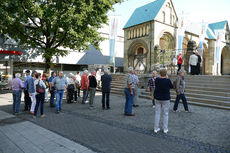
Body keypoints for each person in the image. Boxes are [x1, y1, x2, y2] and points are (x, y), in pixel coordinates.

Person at [154, 68, 173, 134]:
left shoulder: (157, 80)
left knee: (157, 113)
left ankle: (156, 128)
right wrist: (167, 78)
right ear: (166, 73)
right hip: (165, 98)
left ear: (160, 73)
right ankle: (165, 129)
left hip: (157, 98)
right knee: (165, 114)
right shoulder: (168, 80)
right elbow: (171, 86)